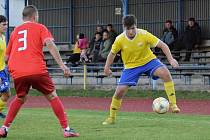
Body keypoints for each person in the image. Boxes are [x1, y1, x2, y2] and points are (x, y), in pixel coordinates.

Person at [0, 5, 79, 138]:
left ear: (23, 18)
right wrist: (63, 66)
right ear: (34, 16)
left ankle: (4, 128)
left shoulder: (14, 32)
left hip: (18, 72)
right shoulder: (40, 27)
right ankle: (66, 129)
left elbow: (6, 58)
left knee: (20, 97)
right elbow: (50, 44)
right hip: (36, 68)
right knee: (52, 95)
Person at [102, 14, 180, 125]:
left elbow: (163, 45)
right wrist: (106, 67)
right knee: (119, 92)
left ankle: (173, 105)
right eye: (128, 29)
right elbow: (112, 53)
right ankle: (111, 117)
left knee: (165, 73)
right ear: (124, 28)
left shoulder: (144, 34)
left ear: (136, 26)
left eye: (133, 28)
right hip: (131, 67)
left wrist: (171, 59)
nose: (131, 31)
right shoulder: (119, 39)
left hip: (148, 61)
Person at [0, 15, 11, 119]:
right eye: (4, 24)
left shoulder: (3, 37)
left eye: (6, 24)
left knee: (5, 94)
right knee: (6, 94)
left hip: (3, 70)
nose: (6, 27)